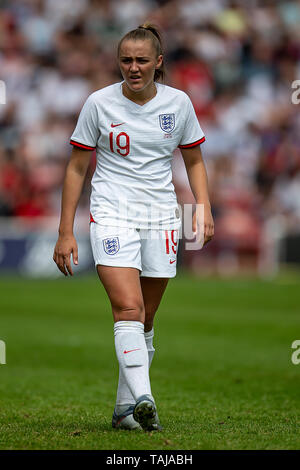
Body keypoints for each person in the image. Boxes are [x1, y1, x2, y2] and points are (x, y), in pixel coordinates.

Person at [53, 23, 214, 431]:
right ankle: (146, 398)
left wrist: (203, 208)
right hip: (111, 213)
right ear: (118, 61)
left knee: (146, 318)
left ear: (158, 63)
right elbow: (76, 166)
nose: (133, 67)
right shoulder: (98, 103)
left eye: (142, 60)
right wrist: (65, 230)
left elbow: (193, 159)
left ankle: (126, 410)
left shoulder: (178, 104)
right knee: (128, 307)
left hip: (162, 216)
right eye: (126, 60)